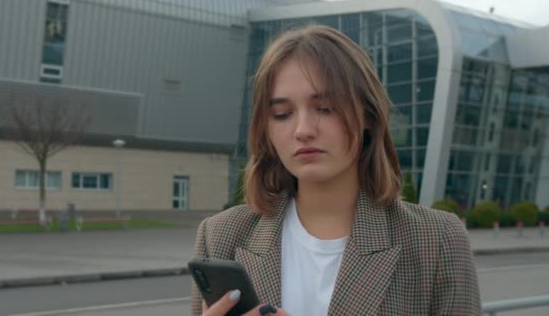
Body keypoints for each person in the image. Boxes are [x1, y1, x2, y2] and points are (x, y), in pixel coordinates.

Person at [191, 25, 481, 316]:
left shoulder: (437, 239)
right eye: (282, 114)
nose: (303, 130)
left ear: (367, 114)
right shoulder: (221, 235)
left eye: (325, 108)